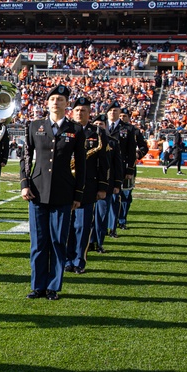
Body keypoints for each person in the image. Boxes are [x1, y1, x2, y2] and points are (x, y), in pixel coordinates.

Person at [20, 84, 85, 300]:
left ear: (67, 104)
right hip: (37, 191)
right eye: (53, 98)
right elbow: (26, 156)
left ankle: (53, 286)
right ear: (47, 103)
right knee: (38, 242)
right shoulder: (34, 125)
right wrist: (24, 184)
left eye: (61, 99)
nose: (56, 102)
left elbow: (82, 165)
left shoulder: (76, 130)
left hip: (63, 191)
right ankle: (38, 285)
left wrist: (78, 194)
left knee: (58, 241)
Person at [66, 97, 110, 274]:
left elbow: (105, 163)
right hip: (67, 185)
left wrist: (102, 187)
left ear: (89, 112)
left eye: (83, 110)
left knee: (83, 227)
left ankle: (79, 261)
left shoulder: (98, 133)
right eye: (77, 110)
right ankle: (67, 260)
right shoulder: (65, 129)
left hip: (88, 186)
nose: (79, 113)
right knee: (67, 226)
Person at [92, 114, 123, 253]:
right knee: (87, 216)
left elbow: (117, 165)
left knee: (102, 215)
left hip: (107, 184)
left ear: (106, 126)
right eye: (96, 124)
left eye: (101, 124)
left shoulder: (112, 142)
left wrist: (117, 184)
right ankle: (89, 241)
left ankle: (99, 242)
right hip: (88, 183)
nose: (98, 127)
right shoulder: (86, 140)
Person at [105, 101, 136, 235]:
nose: (113, 113)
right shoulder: (99, 125)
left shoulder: (128, 129)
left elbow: (131, 152)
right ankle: (101, 227)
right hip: (102, 167)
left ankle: (112, 228)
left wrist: (129, 170)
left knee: (115, 198)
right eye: (110, 111)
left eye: (115, 111)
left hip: (119, 168)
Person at [118, 108, 148, 229]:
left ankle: (122, 220)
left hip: (128, 166)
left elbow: (143, 147)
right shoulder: (111, 128)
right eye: (120, 116)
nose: (121, 118)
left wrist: (136, 155)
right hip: (113, 166)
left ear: (129, 118)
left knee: (125, 195)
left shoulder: (134, 131)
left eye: (124, 116)